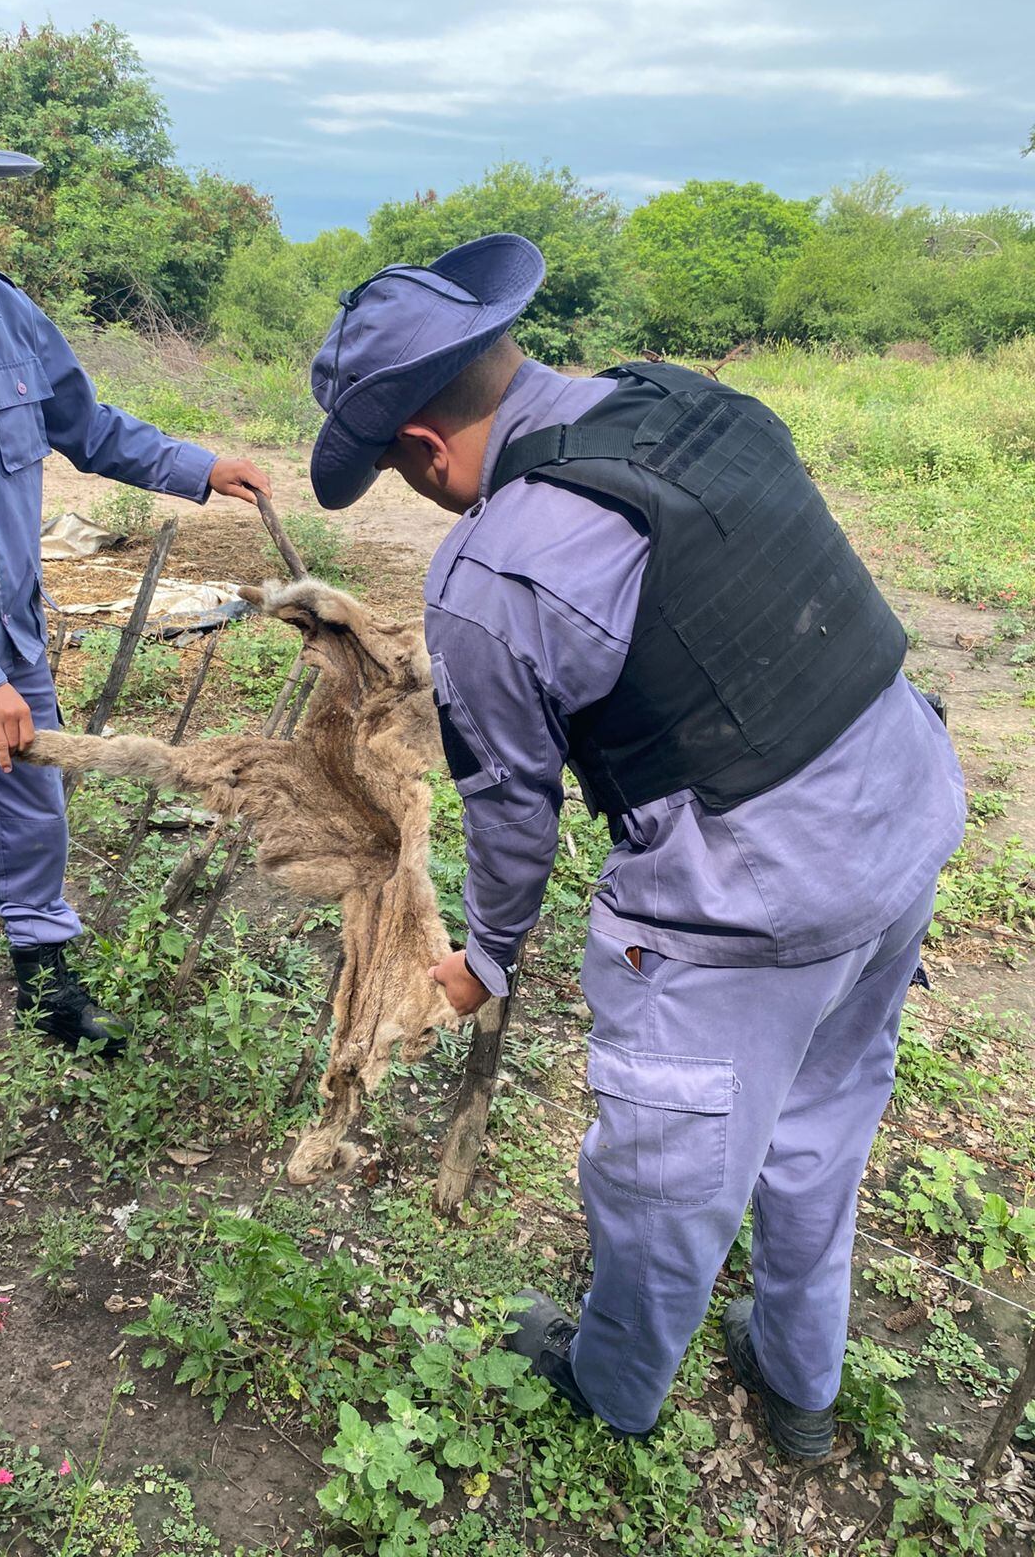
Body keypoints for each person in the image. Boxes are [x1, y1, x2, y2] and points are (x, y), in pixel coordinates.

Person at [305, 234, 966, 1457]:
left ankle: (611, 1386)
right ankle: (797, 1380)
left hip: (764, 893)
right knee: (825, 1114)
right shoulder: (685, 398)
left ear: (418, 447)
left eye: (405, 478)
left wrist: (486, 958)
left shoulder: (493, 567)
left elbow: (512, 812)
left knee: (667, 1172)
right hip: (905, 802)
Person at [0, 65, 272, 1117]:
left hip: (12, 635)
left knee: (34, 820)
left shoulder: (5, 310)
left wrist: (195, 464)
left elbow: (86, 424)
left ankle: (46, 990)